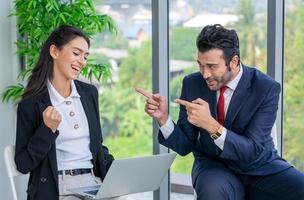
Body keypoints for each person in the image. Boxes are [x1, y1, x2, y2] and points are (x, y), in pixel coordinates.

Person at [136, 24, 304, 200]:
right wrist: (164, 119)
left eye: (212, 66)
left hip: (260, 167)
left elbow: (252, 150)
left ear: (233, 61)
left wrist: (210, 125)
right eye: (201, 65)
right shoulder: (192, 84)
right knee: (212, 192)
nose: (205, 74)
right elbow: (185, 146)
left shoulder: (265, 88)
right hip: (214, 167)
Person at [15, 25, 114, 200]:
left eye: (85, 56)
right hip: (58, 187)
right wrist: (47, 130)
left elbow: (97, 146)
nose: (82, 61)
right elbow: (23, 164)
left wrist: (122, 171)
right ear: (54, 51)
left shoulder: (89, 93)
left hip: (94, 182)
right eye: (76, 53)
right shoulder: (31, 104)